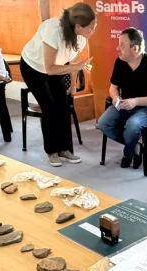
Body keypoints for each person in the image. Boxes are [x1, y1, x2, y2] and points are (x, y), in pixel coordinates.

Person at [20, 2, 96, 167]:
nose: (93, 30)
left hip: (57, 68)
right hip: (33, 67)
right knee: (49, 108)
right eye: (91, 27)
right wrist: (76, 66)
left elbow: (73, 60)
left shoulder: (82, 38)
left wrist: (73, 84)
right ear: (78, 26)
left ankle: (65, 149)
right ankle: (52, 151)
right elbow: (50, 69)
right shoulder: (53, 30)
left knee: (63, 106)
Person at [97, 28, 147, 169]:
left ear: (135, 48)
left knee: (132, 126)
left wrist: (135, 101)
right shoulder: (120, 62)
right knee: (103, 123)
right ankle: (135, 145)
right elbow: (113, 87)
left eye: (122, 45)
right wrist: (116, 98)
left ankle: (128, 154)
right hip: (124, 105)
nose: (117, 48)